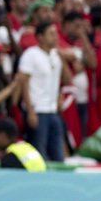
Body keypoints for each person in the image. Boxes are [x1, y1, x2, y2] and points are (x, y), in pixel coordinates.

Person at [18, 21, 70, 162]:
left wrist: (59, 96)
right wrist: (30, 111)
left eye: (56, 34)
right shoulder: (31, 54)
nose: (55, 37)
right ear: (40, 36)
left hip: (52, 110)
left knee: (57, 153)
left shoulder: (55, 55)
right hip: (37, 110)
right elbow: (24, 83)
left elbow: (66, 79)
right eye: (51, 34)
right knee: (39, 152)